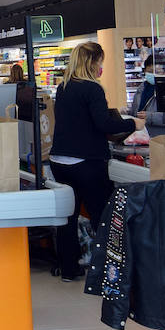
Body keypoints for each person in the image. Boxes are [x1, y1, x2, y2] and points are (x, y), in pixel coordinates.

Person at [51, 42, 143, 282]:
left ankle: (69, 269)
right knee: (102, 216)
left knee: (67, 218)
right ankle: (107, 270)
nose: (102, 66)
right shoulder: (92, 89)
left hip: (59, 160)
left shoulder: (63, 87)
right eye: (101, 61)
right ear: (93, 62)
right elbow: (104, 124)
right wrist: (133, 123)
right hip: (87, 162)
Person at [128, 53, 165, 134]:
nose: (153, 75)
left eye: (158, 72)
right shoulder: (141, 88)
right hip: (141, 135)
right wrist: (128, 112)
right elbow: (136, 111)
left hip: (159, 136)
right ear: (145, 70)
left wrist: (150, 117)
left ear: (164, 72)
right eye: (150, 71)